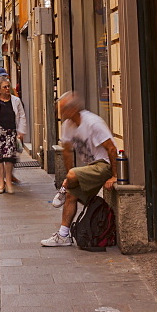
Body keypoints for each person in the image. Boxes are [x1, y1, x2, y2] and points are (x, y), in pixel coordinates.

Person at [41, 91, 118, 247]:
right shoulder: (67, 125)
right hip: (91, 167)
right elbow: (67, 151)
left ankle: (63, 189)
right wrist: (70, 177)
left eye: (61, 110)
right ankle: (63, 236)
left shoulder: (93, 123)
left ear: (72, 109)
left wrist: (115, 176)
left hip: (105, 164)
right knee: (71, 195)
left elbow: (111, 149)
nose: (59, 113)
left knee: (70, 181)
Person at [0, 80, 27, 194]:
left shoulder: (16, 100)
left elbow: (22, 116)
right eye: (5, 87)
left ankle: (9, 183)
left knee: (9, 159)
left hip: (10, 133)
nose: (8, 89)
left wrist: (21, 131)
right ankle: (1, 184)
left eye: (8, 87)